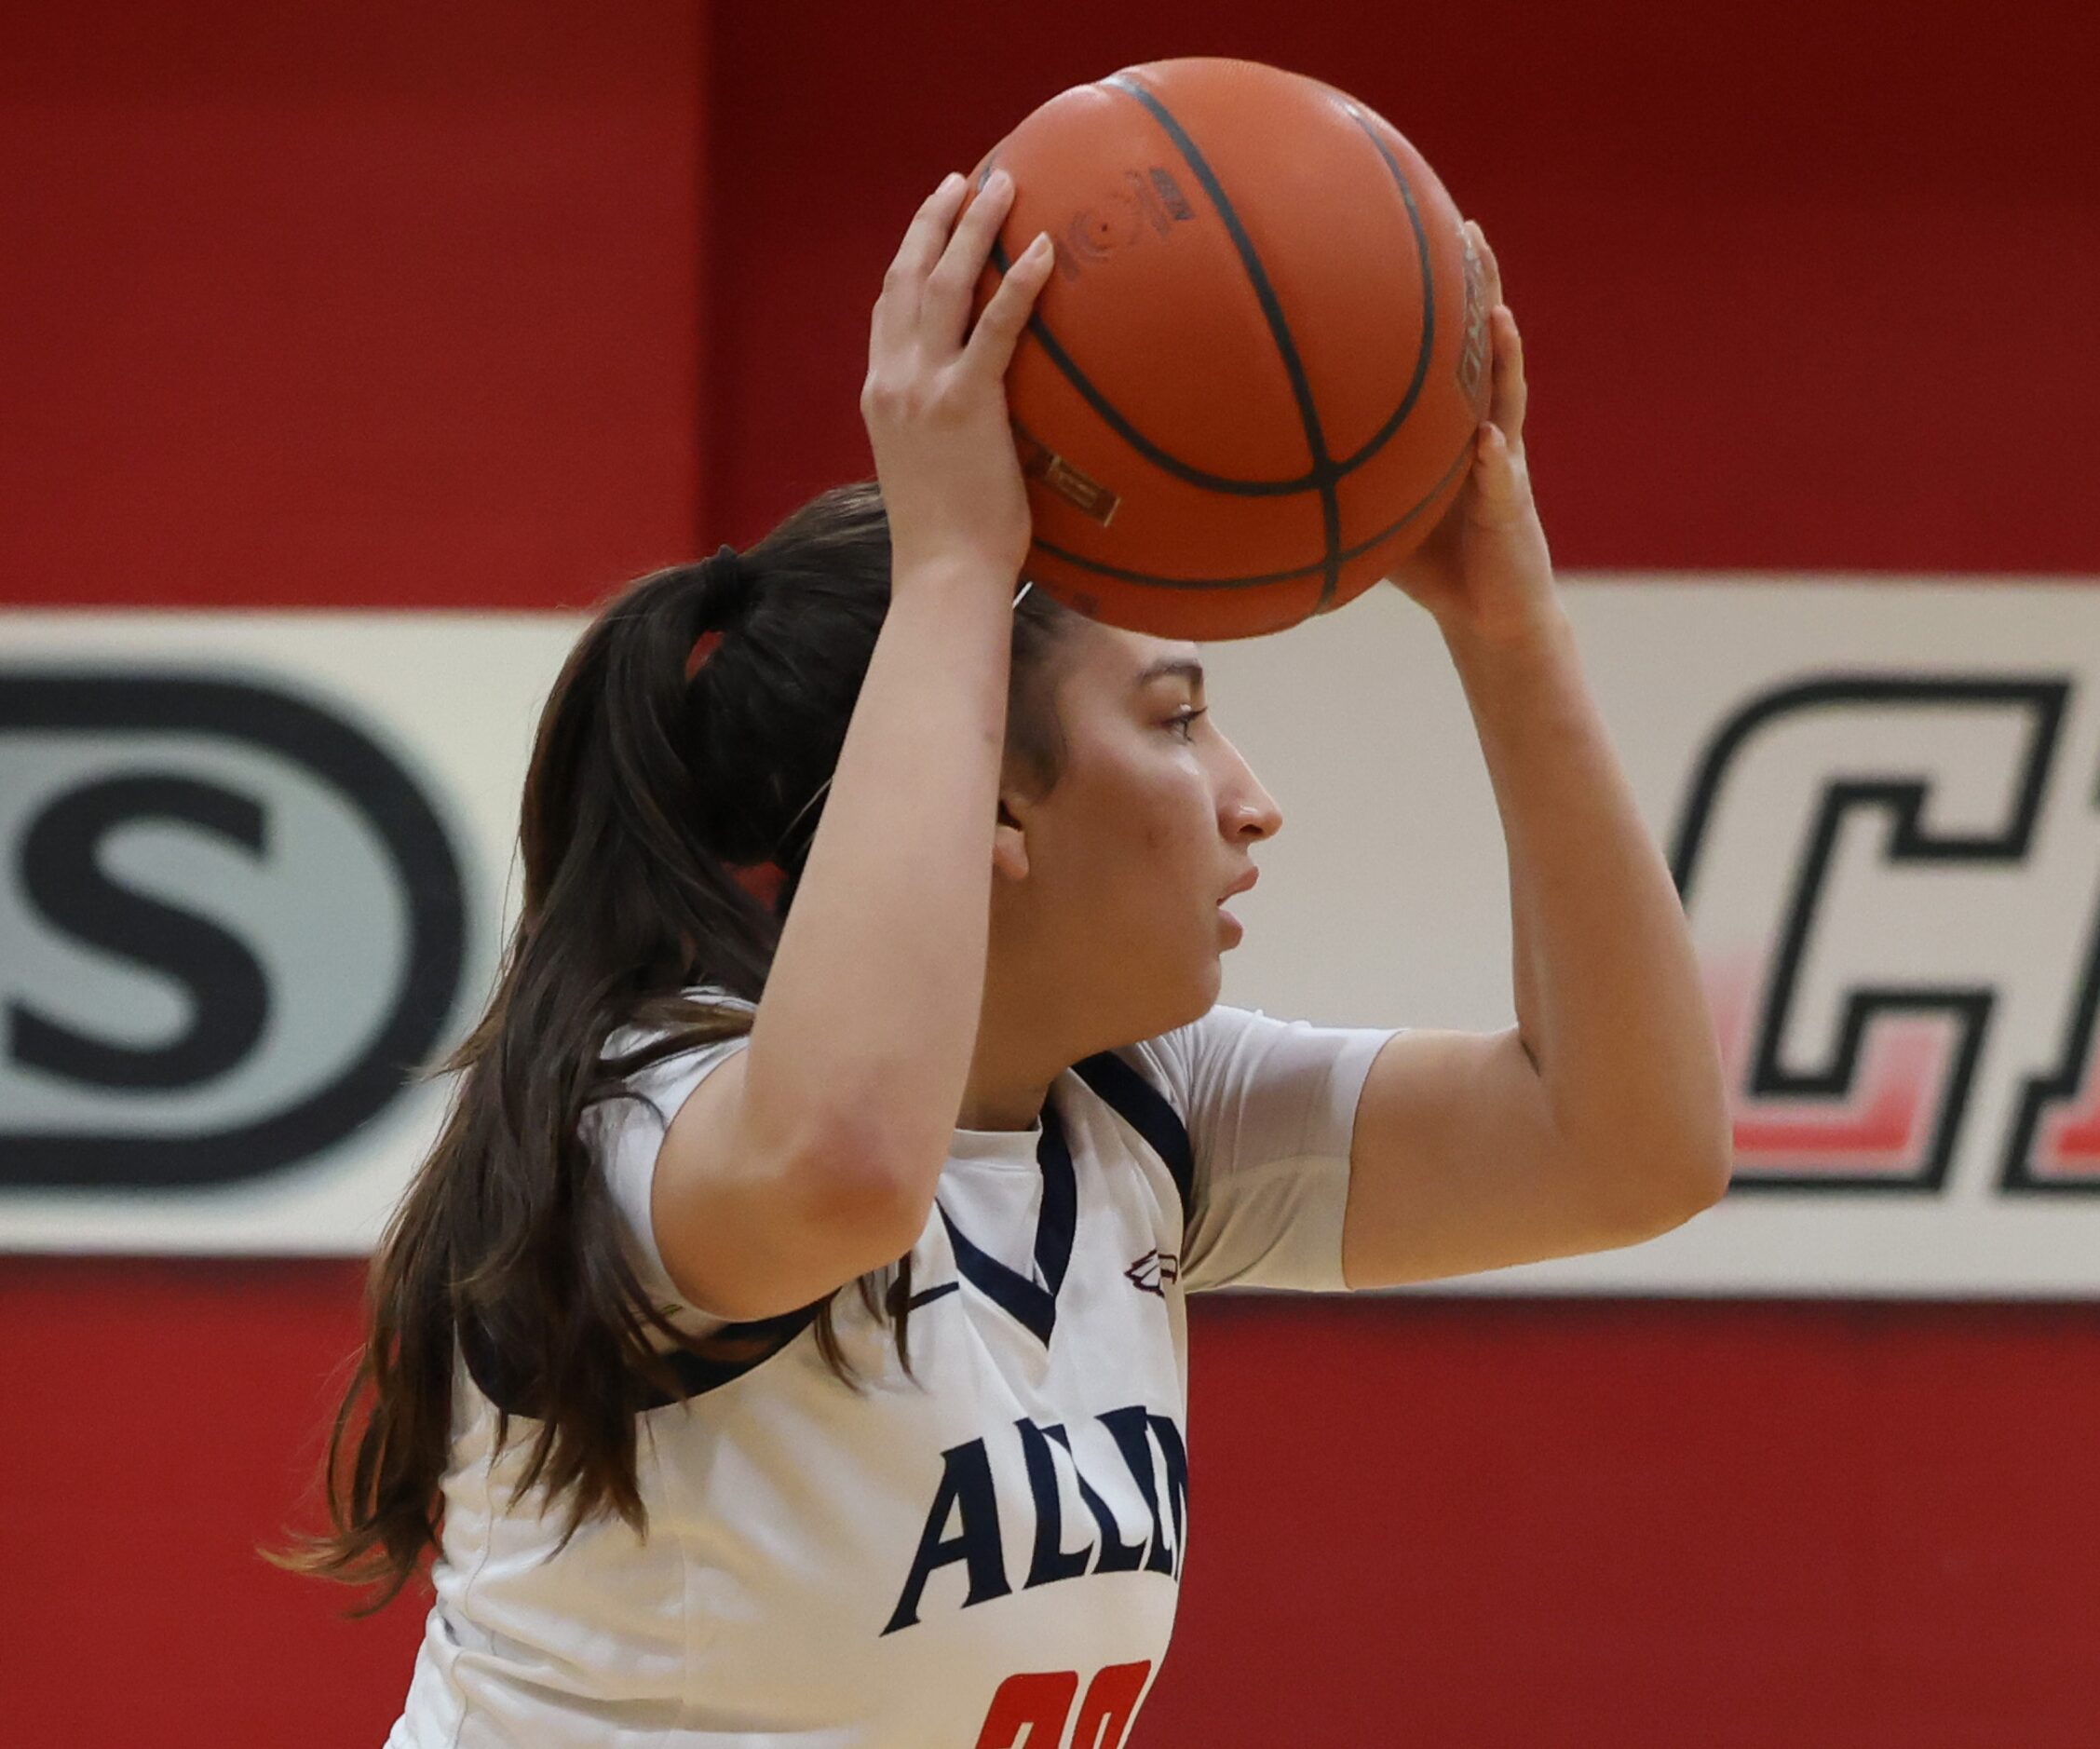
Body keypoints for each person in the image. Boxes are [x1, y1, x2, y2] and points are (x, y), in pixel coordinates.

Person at [280, 167, 1730, 1746]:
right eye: (1178, 718)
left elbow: (1630, 1143)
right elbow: (844, 1160)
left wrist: (1509, 633)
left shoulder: (1132, 1117)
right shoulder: (643, 1115)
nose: (1252, 799)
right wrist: (955, 566)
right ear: (989, 797)